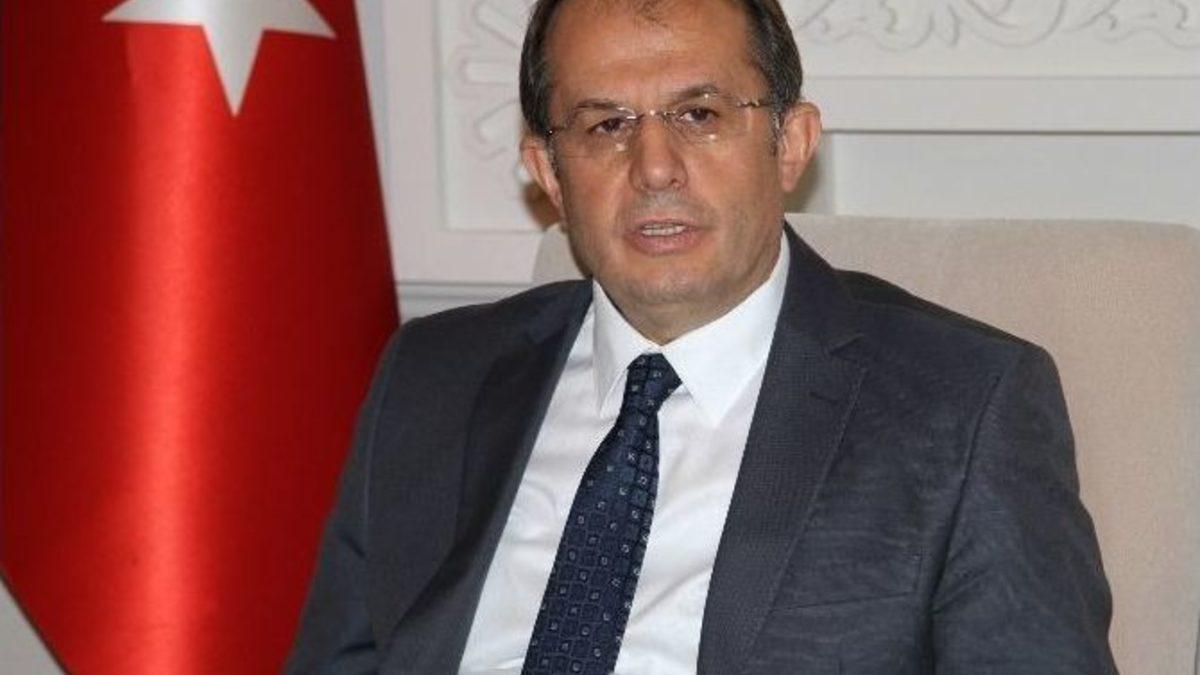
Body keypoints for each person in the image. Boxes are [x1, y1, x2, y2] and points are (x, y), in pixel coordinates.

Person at [287, 0, 1116, 672]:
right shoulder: (434, 375)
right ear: (548, 173)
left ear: (790, 143)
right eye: (606, 125)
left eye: (700, 113)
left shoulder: (963, 405)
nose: (655, 167)